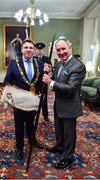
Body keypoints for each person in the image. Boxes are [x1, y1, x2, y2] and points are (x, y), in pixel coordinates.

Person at [42, 38, 86, 169]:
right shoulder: (59, 64)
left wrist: (50, 82)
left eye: (63, 49)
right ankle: (60, 147)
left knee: (69, 133)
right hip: (59, 104)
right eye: (58, 50)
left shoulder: (78, 66)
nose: (61, 52)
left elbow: (71, 88)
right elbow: (57, 78)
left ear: (70, 48)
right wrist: (51, 72)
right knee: (59, 129)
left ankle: (68, 157)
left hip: (70, 105)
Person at [3, 39, 44, 161]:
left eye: (31, 48)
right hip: (19, 102)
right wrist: (11, 100)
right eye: (26, 47)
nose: (28, 50)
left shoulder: (39, 64)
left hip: (33, 101)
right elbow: (7, 82)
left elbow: (41, 81)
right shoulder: (14, 63)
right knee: (19, 125)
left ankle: (32, 140)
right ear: (21, 50)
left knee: (31, 122)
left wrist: (41, 92)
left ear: (34, 50)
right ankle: (20, 148)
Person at [34, 42, 52, 122]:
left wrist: (49, 68)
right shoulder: (33, 58)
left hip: (44, 82)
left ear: (43, 50)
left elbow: (51, 68)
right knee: (34, 99)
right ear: (36, 50)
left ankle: (45, 116)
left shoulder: (47, 58)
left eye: (41, 49)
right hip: (34, 82)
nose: (39, 51)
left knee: (44, 100)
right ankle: (33, 115)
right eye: (38, 49)